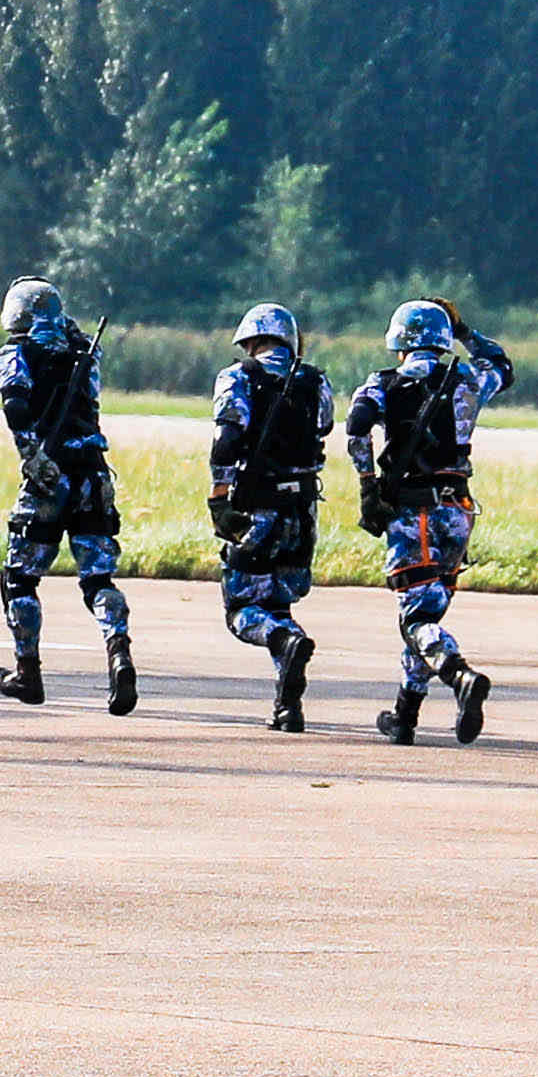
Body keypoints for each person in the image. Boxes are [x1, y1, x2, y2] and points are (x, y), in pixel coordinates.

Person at [342, 296, 514, 746]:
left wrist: (367, 483)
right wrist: (466, 332)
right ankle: (405, 715)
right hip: (458, 511)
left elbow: (356, 427)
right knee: (427, 616)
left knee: (416, 620)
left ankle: (460, 677)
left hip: (412, 512)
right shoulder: (470, 379)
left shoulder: (383, 384)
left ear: (399, 342)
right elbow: (503, 365)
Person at [0, 277, 134, 714]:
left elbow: (15, 406)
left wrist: (32, 457)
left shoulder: (15, 354)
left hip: (49, 477)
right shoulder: (85, 353)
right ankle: (119, 653)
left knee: (19, 578)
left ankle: (28, 672)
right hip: (92, 475)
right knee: (97, 580)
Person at [208, 304, 331, 730]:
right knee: (279, 602)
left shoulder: (237, 377)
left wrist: (219, 498)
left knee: (243, 610)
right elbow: (325, 427)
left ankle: (285, 642)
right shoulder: (316, 381)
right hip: (301, 513)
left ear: (250, 341)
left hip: (255, 508)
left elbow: (226, 440)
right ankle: (288, 706)